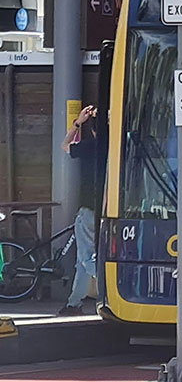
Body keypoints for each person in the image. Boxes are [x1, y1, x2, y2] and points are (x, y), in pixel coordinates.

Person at [58, 104, 100, 316]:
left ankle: (112, 288)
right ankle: (74, 303)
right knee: (82, 262)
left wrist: (77, 123)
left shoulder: (89, 146)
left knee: (86, 257)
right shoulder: (118, 147)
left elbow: (65, 145)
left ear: (92, 129)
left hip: (88, 210)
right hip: (107, 211)